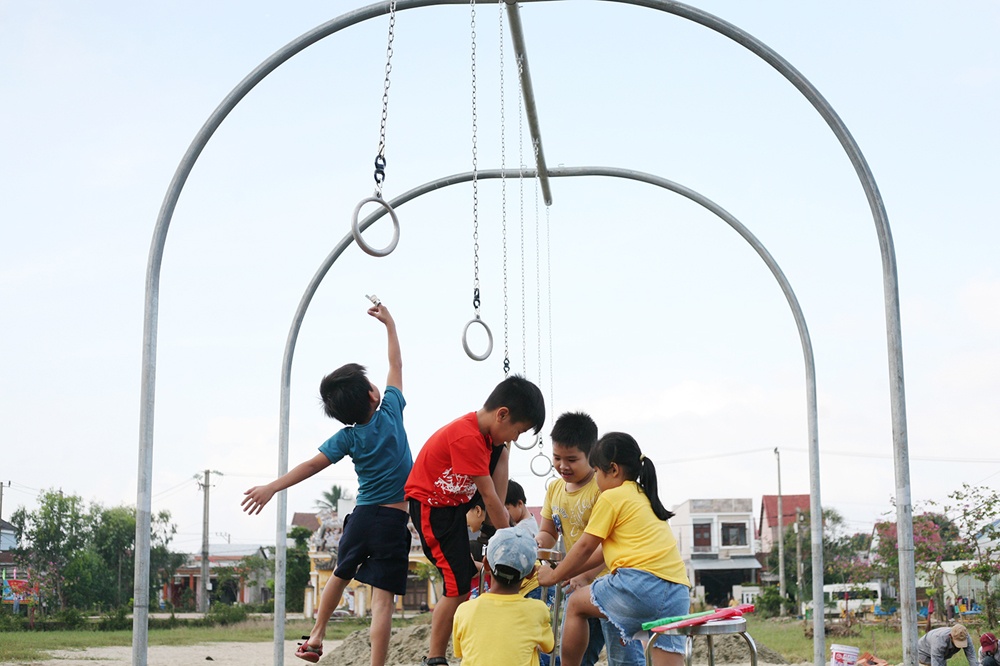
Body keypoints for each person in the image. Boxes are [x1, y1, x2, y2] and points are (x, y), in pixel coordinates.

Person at [241, 302, 411, 666]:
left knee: (340, 572)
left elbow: (310, 466)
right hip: (394, 522)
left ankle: (316, 635)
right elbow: (396, 365)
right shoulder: (392, 411)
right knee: (382, 602)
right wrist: (390, 324)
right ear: (372, 394)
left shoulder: (348, 438)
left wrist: (272, 487)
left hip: (364, 517)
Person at [405, 374, 546, 666]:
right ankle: (434, 658)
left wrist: (499, 533)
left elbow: (498, 489)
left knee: (470, 573)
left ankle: (474, 632)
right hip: (432, 507)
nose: (515, 438)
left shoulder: (492, 442)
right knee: (456, 582)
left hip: (457, 505)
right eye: (517, 431)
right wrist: (512, 544)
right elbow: (491, 497)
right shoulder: (467, 436)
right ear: (502, 414)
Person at [537, 432, 691, 666]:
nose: (596, 478)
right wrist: (570, 572)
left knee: (576, 604)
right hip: (677, 592)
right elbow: (600, 552)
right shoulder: (643, 496)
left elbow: (585, 547)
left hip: (640, 586)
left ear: (614, 469)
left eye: (597, 471)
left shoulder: (611, 497)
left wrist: (555, 575)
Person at [536, 412, 643, 666]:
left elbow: (606, 545)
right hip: (577, 585)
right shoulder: (554, 489)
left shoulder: (603, 489)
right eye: (557, 457)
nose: (563, 465)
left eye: (572, 459)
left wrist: (584, 574)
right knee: (577, 654)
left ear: (592, 456)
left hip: (611, 581)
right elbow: (549, 531)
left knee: (623, 656)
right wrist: (540, 544)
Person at [453, 526, 555, 665]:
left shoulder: (464, 610)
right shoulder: (538, 610)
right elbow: (549, 647)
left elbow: (459, 652)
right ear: (531, 573)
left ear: (486, 564)